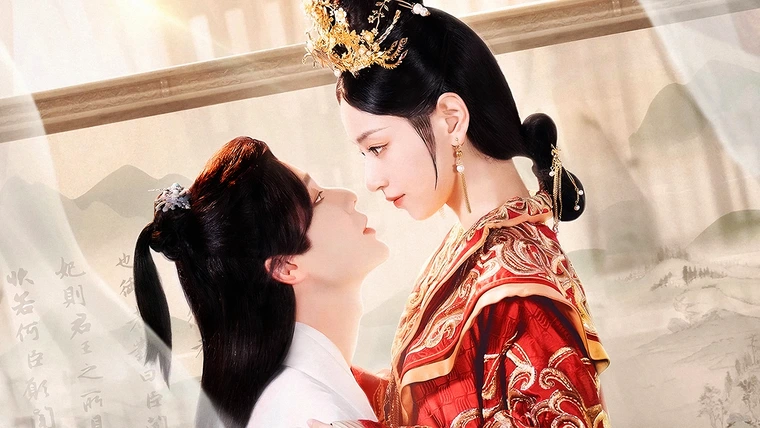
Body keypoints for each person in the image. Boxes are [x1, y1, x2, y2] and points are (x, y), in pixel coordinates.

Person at [302, 1, 611, 427]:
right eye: (364, 153)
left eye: (378, 147)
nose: (371, 180)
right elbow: (413, 406)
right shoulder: (473, 245)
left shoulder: (519, 294)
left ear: (451, 119)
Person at [133, 136, 388, 428]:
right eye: (317, 198)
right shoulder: (312, 413)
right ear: (285, 266)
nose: (348, 196)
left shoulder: (305, 394)